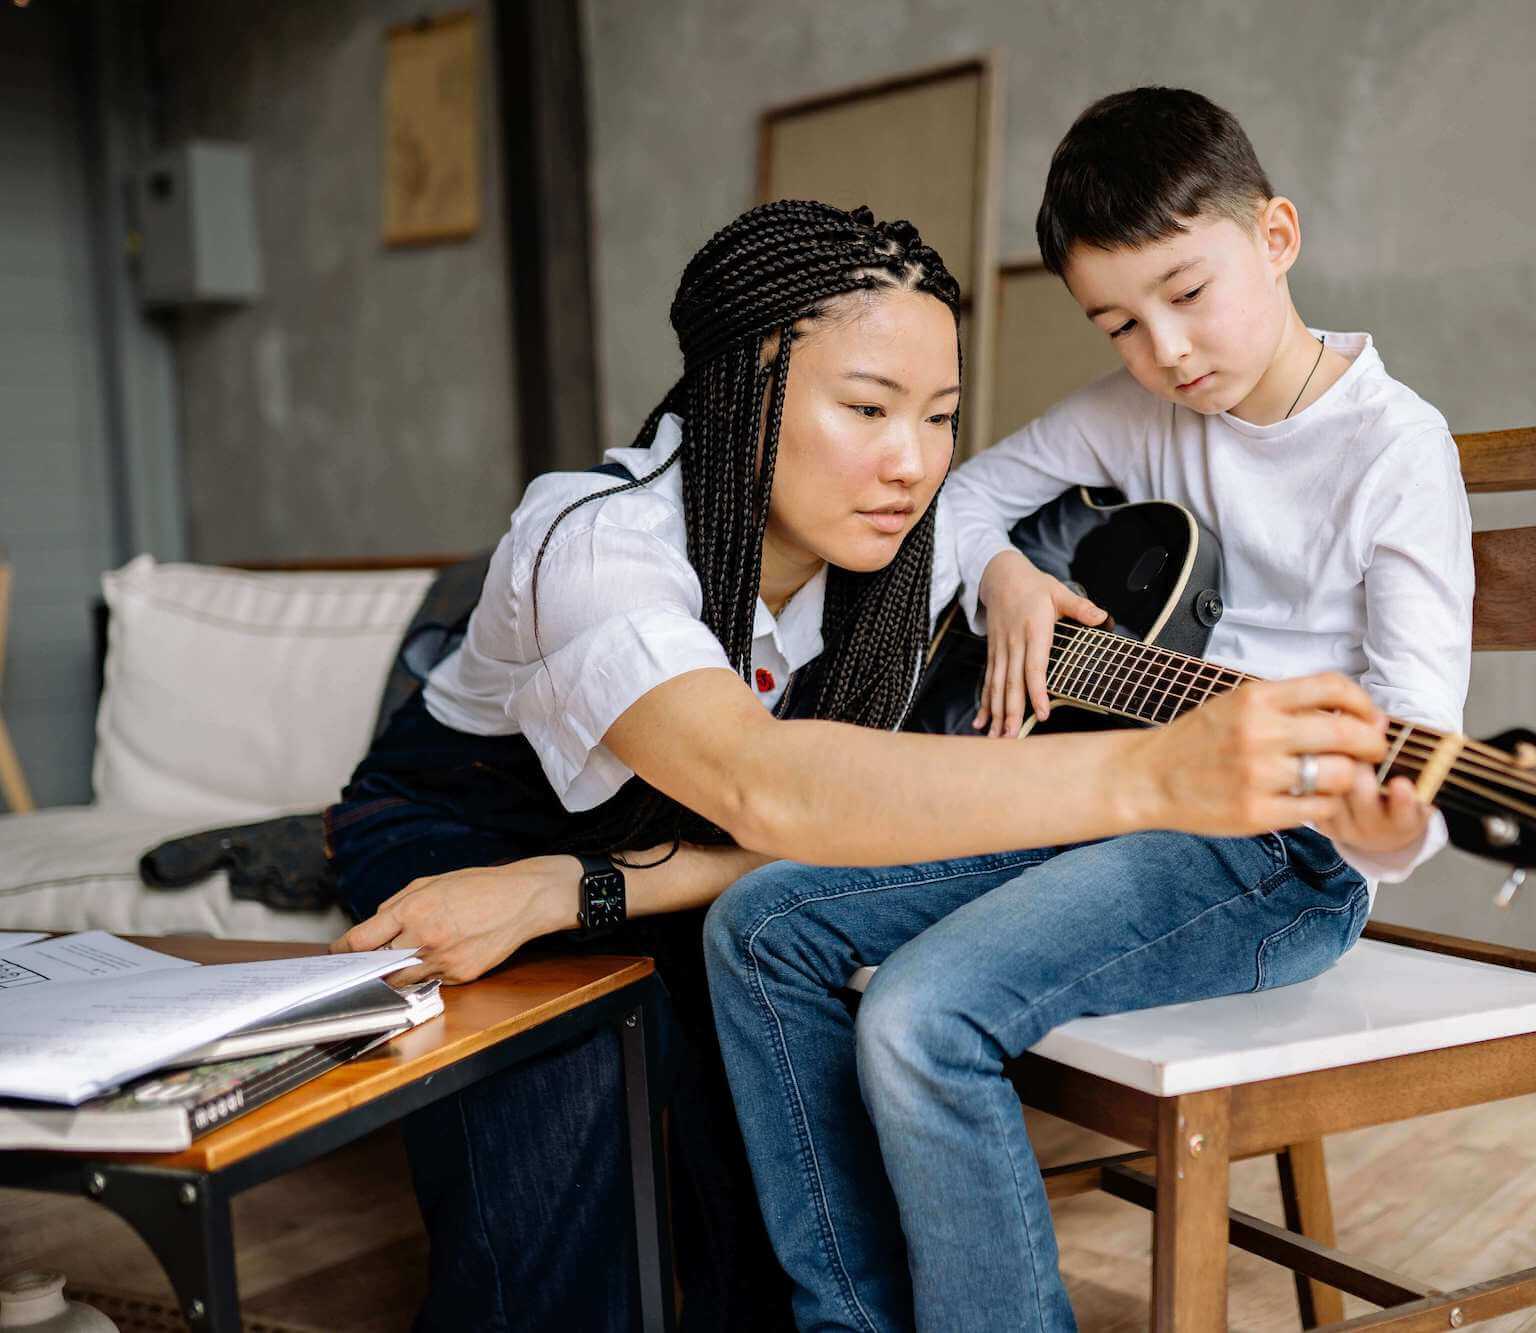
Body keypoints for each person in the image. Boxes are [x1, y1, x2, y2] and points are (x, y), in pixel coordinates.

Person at [324, 198, 1390, 1331]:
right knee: (566, 1102)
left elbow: (815, 824)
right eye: (866, 408)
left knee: (749, 1113)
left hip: (695, 851)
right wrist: (1154, 776)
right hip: (484, 825)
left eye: (937, 417)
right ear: (739, 399)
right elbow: (765, 783)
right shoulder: (593, 539)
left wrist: (1006, 577)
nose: (912, 463)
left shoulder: (905, 560)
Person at [702, 88, 1475, 1332]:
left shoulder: (1395, 450)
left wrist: (1385, 826)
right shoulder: (1143, 414)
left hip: (1277, 858)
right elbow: (957, 502)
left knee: (918, 1013)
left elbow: (1414, 745)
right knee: (758, 925)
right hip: (1104, 797)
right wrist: (1009, 574)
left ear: (1275, 236)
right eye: (1118, 322)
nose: (1163, 350)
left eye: (1185, 293)